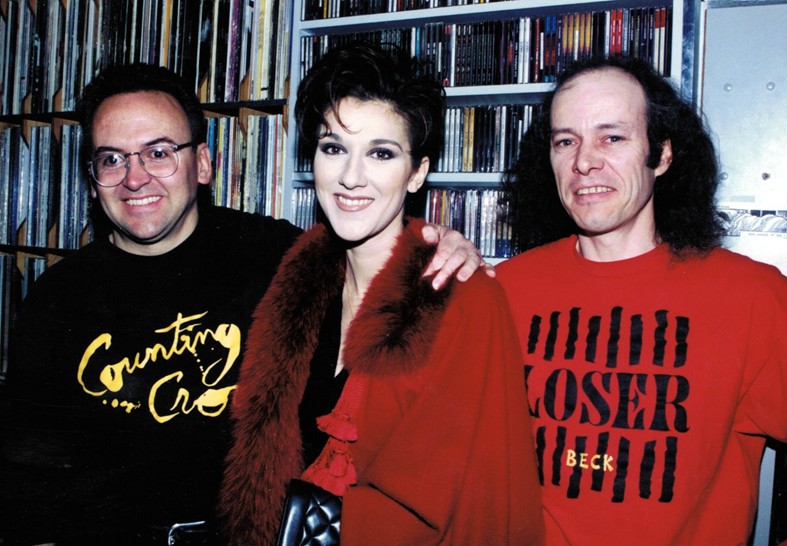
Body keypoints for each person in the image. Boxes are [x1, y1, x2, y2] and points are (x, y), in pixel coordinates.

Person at [0, 62, 489, 545]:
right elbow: (30, 487)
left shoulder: (278, 254)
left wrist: (438, 245)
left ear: (203, 163)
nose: (135, 177)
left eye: (159, 152)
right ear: (92, 178)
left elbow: (376, 252)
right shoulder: (56, 298)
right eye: (112, 159)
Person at [218, 42, 543, 545]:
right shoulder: (289, 269)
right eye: (333, 148)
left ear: (417, 173)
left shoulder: (462, 297)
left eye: (381, 153)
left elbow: (484, 507)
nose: (351, 178)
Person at [497, 55, 787, 545]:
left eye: (612, 137)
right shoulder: (505, 290)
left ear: (661, 155)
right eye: (565, 141)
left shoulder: (752, 299)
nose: (583, 162)